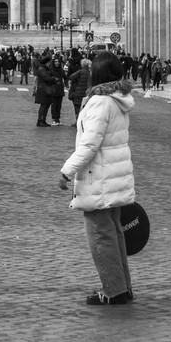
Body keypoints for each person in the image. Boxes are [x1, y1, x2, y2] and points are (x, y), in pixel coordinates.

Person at [58, 52, 135, 306]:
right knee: (114, 233)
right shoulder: (117, 99)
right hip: (112, 175)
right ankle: (122, 286)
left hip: (99, 177)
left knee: (101, 235)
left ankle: (113, 290)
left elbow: (89, 145)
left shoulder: (100, 102)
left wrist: (67, 170)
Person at [67, 57, 92, 125]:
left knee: (77, 108)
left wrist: (76, 81)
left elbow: (71, 77)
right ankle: (84, 122)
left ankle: (78, 122)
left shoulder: (80, 72)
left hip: (78, 92)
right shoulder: (90, 73)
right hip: (87, 93)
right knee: (85, 108)